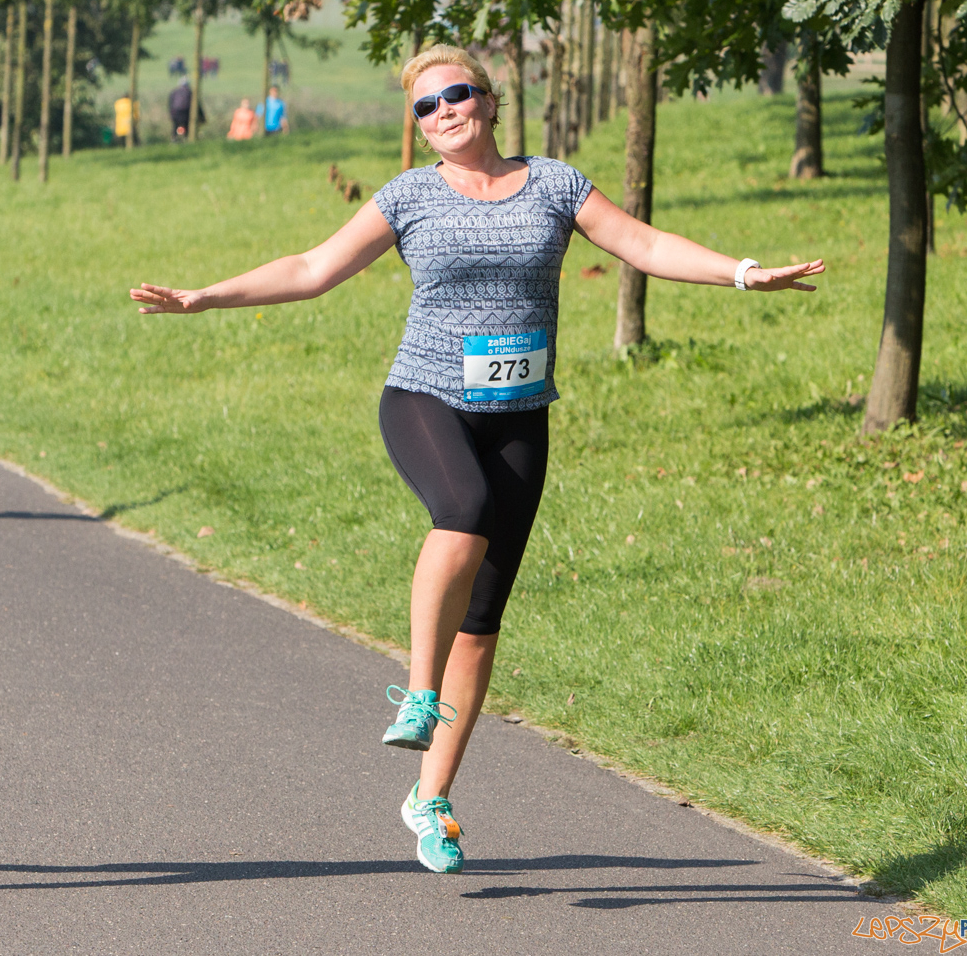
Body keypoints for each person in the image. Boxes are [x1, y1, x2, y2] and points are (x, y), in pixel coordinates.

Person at [130, 44, 823, 875]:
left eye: (455, 94)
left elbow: (642, 245)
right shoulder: (409, 197)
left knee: (484, 619)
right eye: (425, 106)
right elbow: (312, 267)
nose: (443, 112)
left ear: (490, 101)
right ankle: (419, 694)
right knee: (463, 508)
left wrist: (742, 274)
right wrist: (206, 296)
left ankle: (430, 799)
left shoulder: (556, 184)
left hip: (519, 416)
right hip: (426, 399)